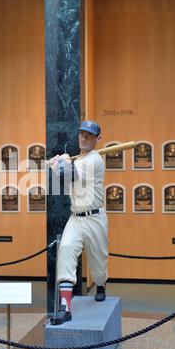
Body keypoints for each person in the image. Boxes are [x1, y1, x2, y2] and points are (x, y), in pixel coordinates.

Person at [49, 120, 108, 325]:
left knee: (98, 266)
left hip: (95, 218)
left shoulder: (95, 160)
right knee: (65, 249)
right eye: (82, 134)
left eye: (89, 135)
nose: (84, 138)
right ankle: (65, 308)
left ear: (97, 139)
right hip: (75, 217)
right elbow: (62, 176)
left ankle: (101, 285)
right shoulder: (80, 159)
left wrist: (61, 163)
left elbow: (66, 174)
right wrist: (59, 164)